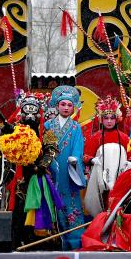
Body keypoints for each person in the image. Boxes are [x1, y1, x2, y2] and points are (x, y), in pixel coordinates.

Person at [3, 91, 60, 251]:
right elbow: (0, 136)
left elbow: (51, 150)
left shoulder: (46, 132)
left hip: (38, 175)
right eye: (26, 110)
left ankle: (38, 243)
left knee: (38, 209)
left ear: (39, 112)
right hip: (18, 175)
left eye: (33, 111)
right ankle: (16, 242)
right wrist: (3, 129)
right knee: (18, 210)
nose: (29, 115)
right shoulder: (15, 129)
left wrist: (42, 165)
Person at [43, 85, 87, 249]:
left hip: (69, 171)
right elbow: (44, 147)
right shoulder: (48, 125)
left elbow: (78, 148)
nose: (66, 108)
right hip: (51, 169)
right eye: (63, 104)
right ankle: (53, 241)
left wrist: (74, 160)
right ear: (57, 105)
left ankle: (74, 240)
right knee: (51, 200)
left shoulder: (76, 127)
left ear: (73, 107)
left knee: (71, 203)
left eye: (69, 105)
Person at [83, 96, 131, 216]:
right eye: (106, 118)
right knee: (103, 203)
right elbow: (85, 156)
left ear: (117, 119)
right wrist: (92, 160)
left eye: (112, 118)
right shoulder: (96, 137)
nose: (109, 121)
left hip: (120, 177)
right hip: (100, 178)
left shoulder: (124, 137)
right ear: (101, 119)